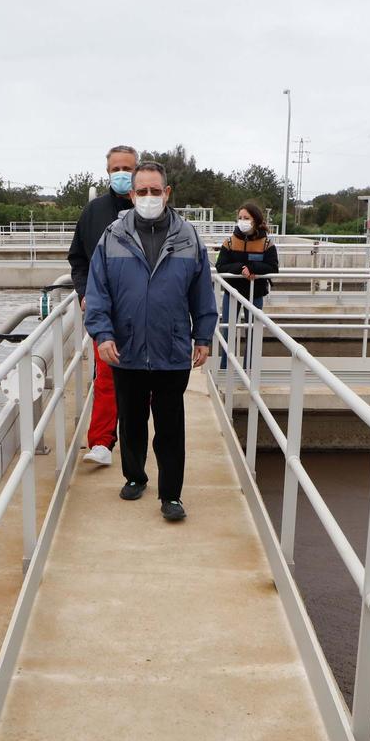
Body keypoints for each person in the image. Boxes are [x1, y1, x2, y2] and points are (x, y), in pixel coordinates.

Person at [83, 161, 216, 523]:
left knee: (170, 425)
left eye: (155, 191)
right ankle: (135, 476)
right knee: (132, 419)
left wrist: (202, 335)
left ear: (167, 193)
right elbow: (98, 292)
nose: (148, 197)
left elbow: (202, 291)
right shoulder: (113, 236)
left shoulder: (188, 237)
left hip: (171, 348)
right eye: (141, 191)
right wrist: (103, 333)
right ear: (131, 194)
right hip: (125, 349)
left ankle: (171, 495)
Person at [66, 144, 138, 467]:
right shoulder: (93, 212)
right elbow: (78, 258)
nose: (122, 174)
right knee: (105, 375)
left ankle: (136, 442)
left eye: (128, 168)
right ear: (107, 172)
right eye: (116, 169)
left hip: (143, 310)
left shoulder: (151, 208)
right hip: (104, 308)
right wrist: (84, 293)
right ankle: (101, 442)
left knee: (141, 381)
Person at [213, 200, 279, 366]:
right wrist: (241, 268)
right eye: (240, 217)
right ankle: (224, 369)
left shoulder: (266, 243)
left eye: (246, 217)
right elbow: (221, 265)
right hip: (232, 293)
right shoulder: (230, 242)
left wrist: (251, 268)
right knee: (228, 331)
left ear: (255, 220)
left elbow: (272, 266)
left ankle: (249, 370)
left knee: (252, 333)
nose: (242, 221)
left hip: (255, 294)